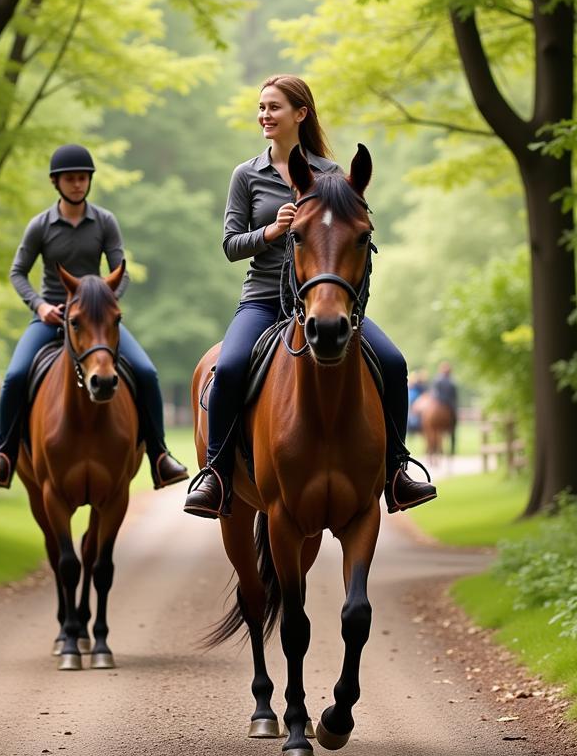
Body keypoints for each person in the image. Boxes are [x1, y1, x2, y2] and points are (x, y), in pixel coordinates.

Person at [182, 75, 436, 519]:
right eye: (261, 107)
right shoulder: (246, 174)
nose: (265, 115)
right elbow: (229, 245)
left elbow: (352, 236)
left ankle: (397, 471)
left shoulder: (333, 175)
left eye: (274, 107)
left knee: (393, 362)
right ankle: (218, 475)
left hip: (326, 303)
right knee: (230, 368)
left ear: (300, 114)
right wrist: (271, 231)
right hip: (262, 299)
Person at [0, 144, 188, 490]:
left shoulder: (105, 221)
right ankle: (4, 456)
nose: (77, 185)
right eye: (70, 179)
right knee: (15, 376)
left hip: (95, 321)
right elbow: (18, 272)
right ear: (56, 183)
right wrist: (40, 306)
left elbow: (122, 271)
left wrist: (104, 305)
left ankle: (160, 456)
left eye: (82, 178)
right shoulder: (40, 226)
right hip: (52, 318)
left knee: (147, 372)